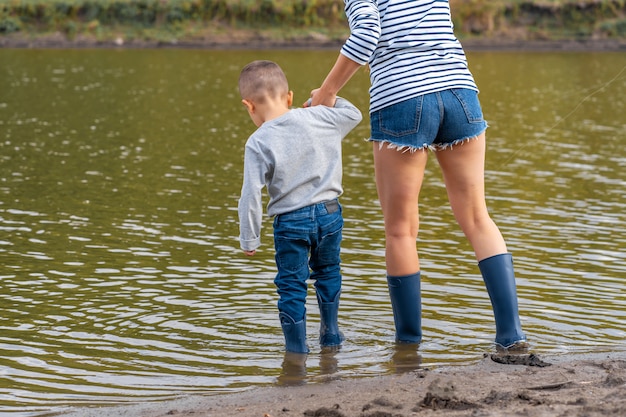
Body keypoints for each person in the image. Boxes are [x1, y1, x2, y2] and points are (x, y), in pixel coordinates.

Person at [307, 0, 528, 351]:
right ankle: (512, 336)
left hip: (402, 99)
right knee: (477, 217)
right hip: (460, 93)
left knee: (400, 229)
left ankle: (408, 346)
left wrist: (327, 92)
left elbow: (366, 34)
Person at [237, 60, 362, 354]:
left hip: (291, 222)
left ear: (249, 106)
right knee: (329, 271)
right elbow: (353, 114)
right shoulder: (320, 117)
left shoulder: (258, 142)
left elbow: (251, 195)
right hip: (330, 214)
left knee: (292, 285)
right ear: (290, 97)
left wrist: (249, 237)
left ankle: (296, 352)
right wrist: (323, 97)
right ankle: (330, 336)